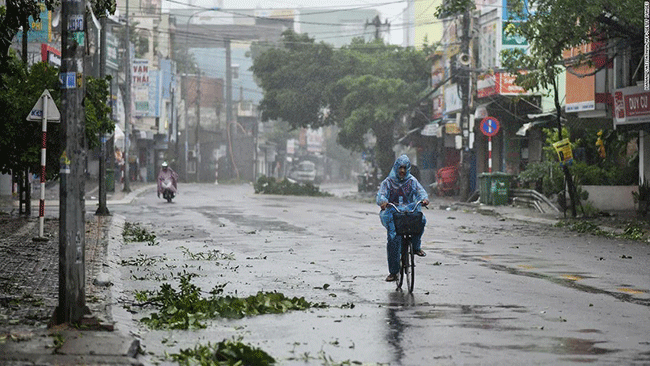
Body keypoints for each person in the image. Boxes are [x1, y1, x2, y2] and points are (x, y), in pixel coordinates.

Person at [376, 155, 429, 282]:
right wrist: (383, 202)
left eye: (405, 168)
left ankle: (416, 247)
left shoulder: (412, 181)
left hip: (409, 211)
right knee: (394, 238)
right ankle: (394, 272)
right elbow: (381, 194)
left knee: (421, 220)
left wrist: (424, 199)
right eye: (400, 168)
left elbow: (421, 192)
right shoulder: (388, 182)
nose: (402, 171)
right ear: (396, 167)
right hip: (393, 213)